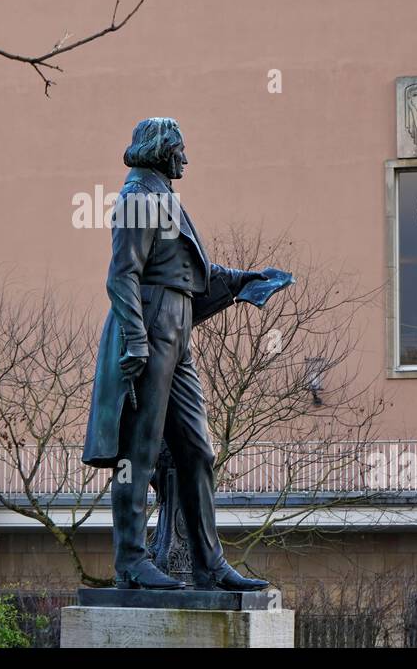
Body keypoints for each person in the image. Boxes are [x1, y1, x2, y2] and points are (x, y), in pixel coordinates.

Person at [82, 117, 273, 591]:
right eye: (180, 150)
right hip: (149, 326)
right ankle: (131, 560)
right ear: (161, 149)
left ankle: (210, 564)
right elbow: (121, 275)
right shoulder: (138, 198)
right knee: (139, 451)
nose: (185, 159)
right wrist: (135, 339)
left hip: (177, 329)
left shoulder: (164, 198)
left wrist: (245, 280)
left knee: (197, 450)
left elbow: (193, 273)